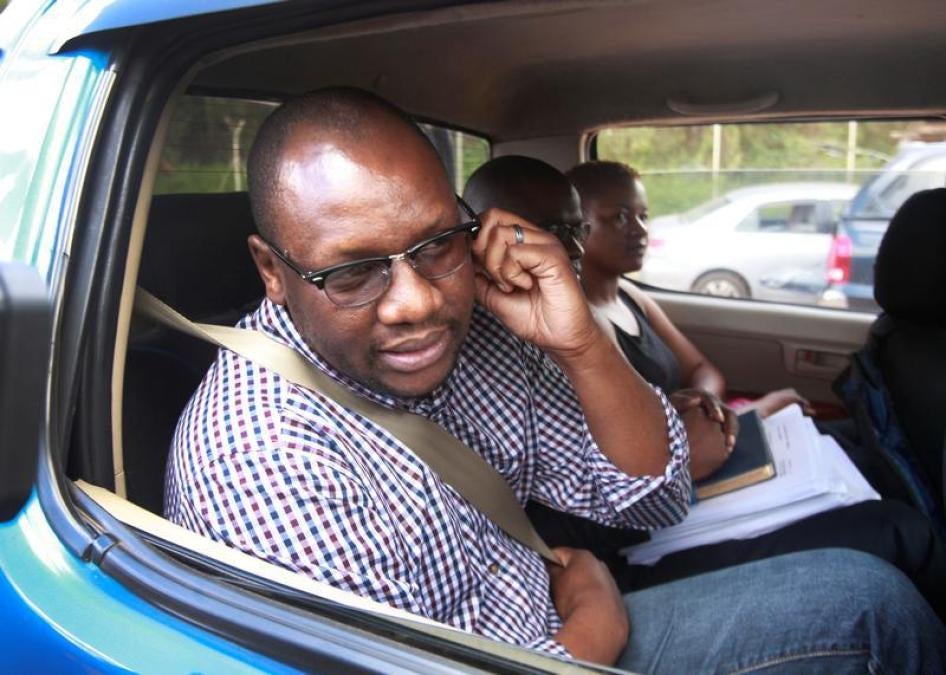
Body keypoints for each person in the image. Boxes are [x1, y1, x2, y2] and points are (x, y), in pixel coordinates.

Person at [164, 88, 946, 672]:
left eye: (437, 244)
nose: (416, 302)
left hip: (553, 620)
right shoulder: (261, 456)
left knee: (869, 599)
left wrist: (580, 342)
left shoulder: (475, 341)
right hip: (553, 651)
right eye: (354, 270)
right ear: (273, 270)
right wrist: (586, 636)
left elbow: (655, 495)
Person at [464, 154, 946, 618]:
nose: (566, 248)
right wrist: (674, 453)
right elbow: (551, 518)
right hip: (637, 539)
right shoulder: (500, 353)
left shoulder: (616, 305)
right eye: (542, 232)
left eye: (576, 230)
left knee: (858, 460)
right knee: (897, 530)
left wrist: (698, 413)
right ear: (482, 235)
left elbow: (695, 376)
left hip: (677, 480)